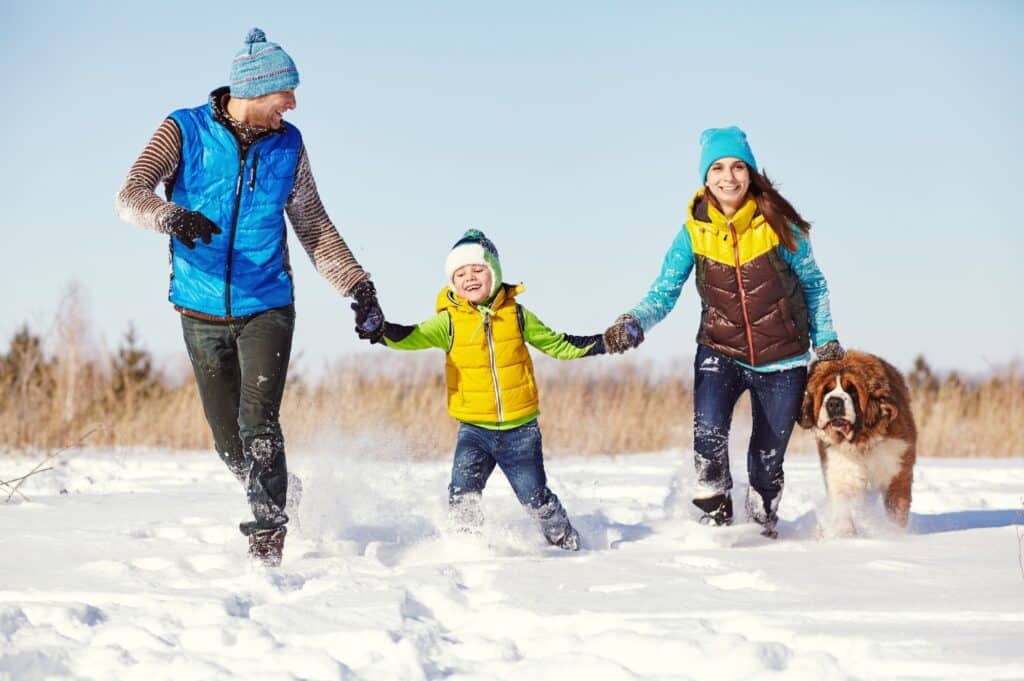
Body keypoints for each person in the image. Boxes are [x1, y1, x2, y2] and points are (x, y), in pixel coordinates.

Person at [115, 28, 384, 566]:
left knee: (258, 422)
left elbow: (313, 225)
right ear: (258, 91)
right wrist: (171, 217)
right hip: (199, 305)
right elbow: (130, 194)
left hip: (268, 304)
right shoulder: (183, 129)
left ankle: (267, 537)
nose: (293, 105)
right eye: (286, 94)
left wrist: (358, 285)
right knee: (227, 441)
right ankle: (279, 487)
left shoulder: (290, 144)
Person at [603, 126, 843, 537]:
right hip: (720, 351)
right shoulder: (692, 233)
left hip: (783, 360)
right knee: (709, 441)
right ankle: (716, 524)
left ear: (750, 173)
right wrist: (633, 321)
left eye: (737, 166)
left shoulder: (779, 227)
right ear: (705, 176)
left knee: (766, 464)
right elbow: (663, 293)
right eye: (717, 167)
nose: (728, 177)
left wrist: (825, 343)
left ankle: (764, 522)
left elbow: (814, 285)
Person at [370, 229, 614, 550]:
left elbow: (558, 345)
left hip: (521, 431)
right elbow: (411, 336)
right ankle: (466, 547)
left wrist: (606, 341)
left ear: (495, 274)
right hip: (474, 430)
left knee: (534, 496)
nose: (469, 278)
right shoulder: (449, 323)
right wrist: (379, 329)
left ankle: (566, 541)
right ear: (451, 283)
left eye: (478, 270)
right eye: (460, 273)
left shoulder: (517, 316)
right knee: (462, 492)